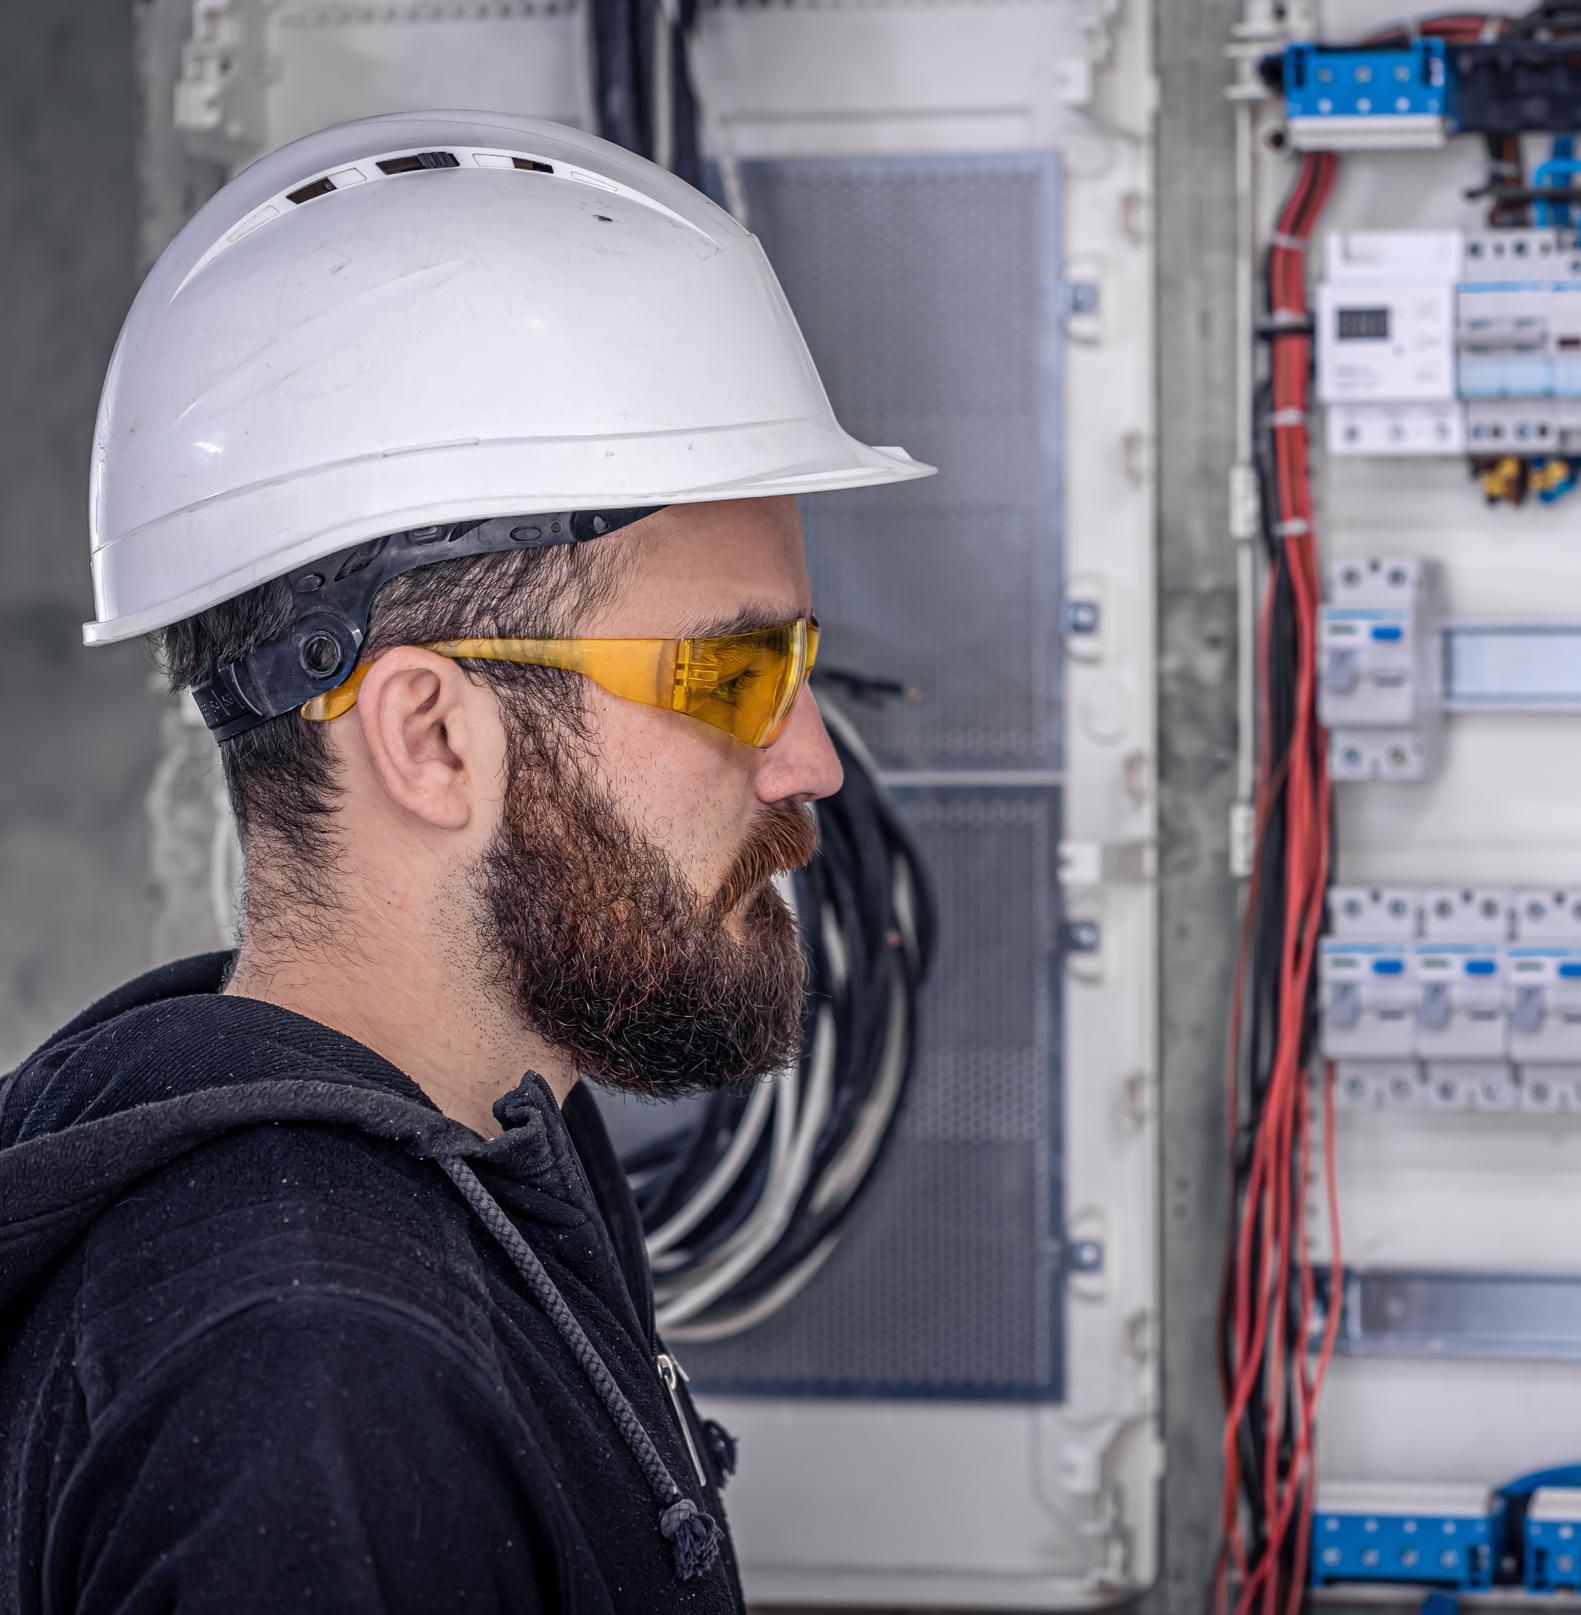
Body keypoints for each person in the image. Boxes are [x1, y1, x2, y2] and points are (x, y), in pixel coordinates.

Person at [0, 110, 931, 1613]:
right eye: (735, 674)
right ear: (431, 738)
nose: (812, 760)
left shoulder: (483, 1163)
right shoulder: (314, 1388)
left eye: (801, 663)